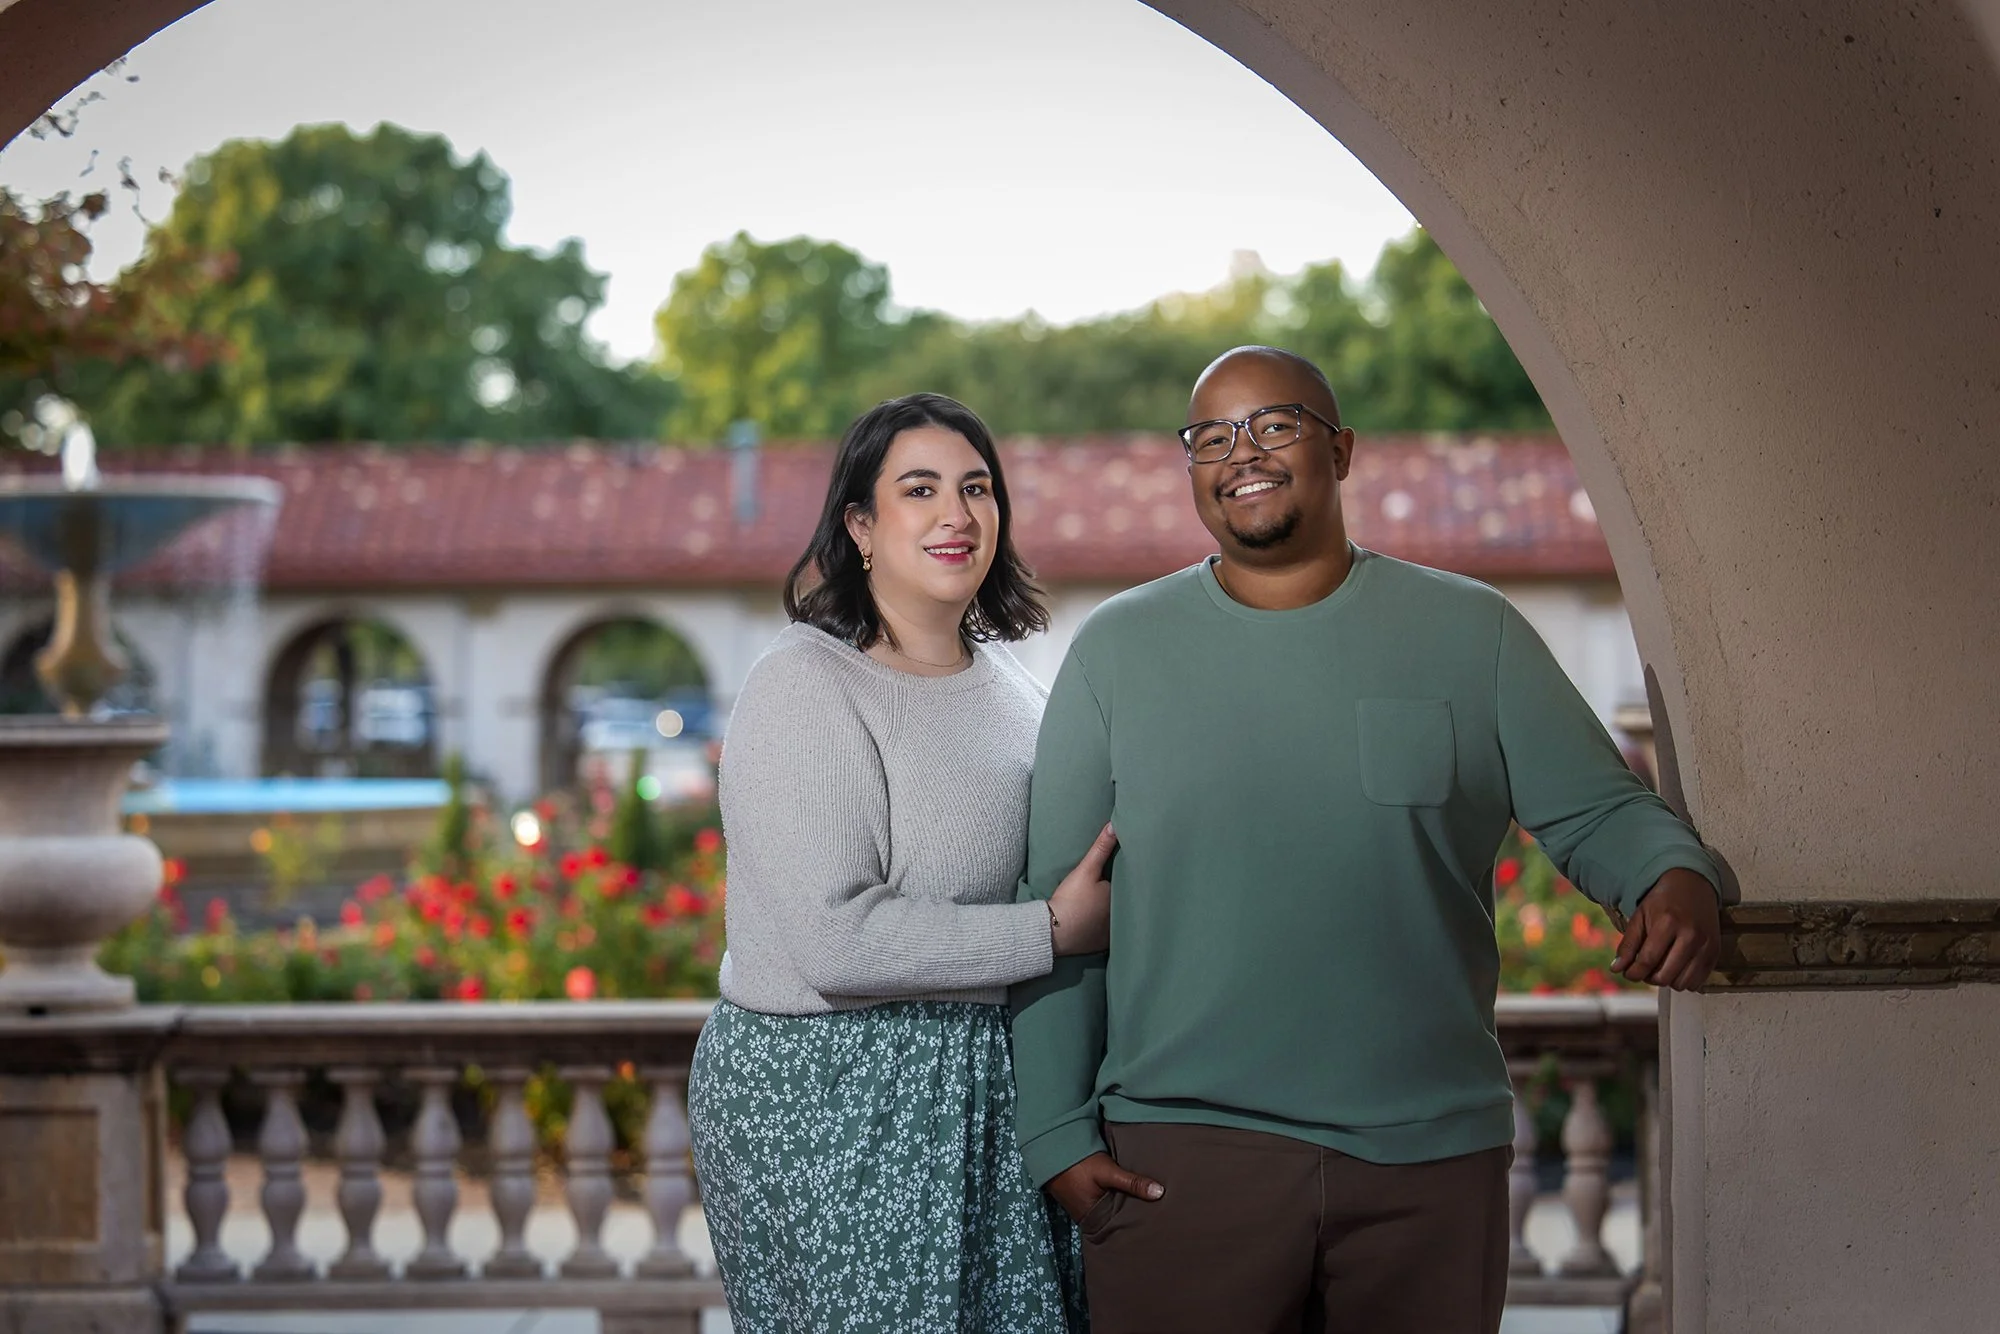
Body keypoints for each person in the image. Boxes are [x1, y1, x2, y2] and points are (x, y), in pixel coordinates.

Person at [1009, 347, 1722, 1334]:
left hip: (1426, 1163)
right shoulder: (1114, 651)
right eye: (1208, 436)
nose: (1238, 452)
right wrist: (1053, 1129)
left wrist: (1668, 871)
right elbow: (1053, 899)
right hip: (1181, 1157)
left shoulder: (1474, 633)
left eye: (1272, 424)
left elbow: (1600, 811)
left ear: (1340, 449)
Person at [688, 391, 1110, 1333]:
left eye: (977, 488)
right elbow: (837, 941)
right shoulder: (805, 683)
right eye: (919, 490)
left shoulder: (1009, 676)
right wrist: (1051, 931)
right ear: (861, 525)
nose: (957, 515)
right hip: (833, 1096)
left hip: (986, 1077)